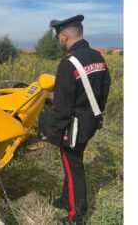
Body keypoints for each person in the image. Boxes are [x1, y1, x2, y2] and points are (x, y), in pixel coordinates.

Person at [42, 14, 111, 224]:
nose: (59, 41)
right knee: (72, 163)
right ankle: (65, 200)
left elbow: (62, 107)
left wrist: (54, 133)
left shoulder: (68, 64)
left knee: (74, 168)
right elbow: (105, 87)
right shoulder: (98, 57)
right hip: (91, 121)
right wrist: (95, 113)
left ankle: (76, 217)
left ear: (64, 36)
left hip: (74, 124)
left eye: (58, 37)